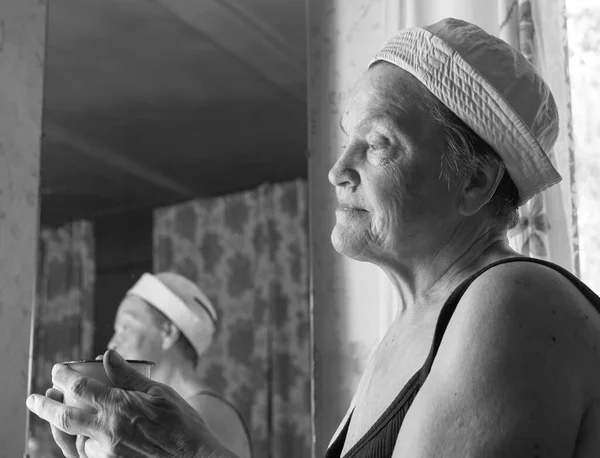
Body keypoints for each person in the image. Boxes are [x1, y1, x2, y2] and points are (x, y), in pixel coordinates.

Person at [27, 17, 600, 458]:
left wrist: (193, 449)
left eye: (378, 143)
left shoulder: (513, 303)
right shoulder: (414, 330)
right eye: (348, 136)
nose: (338, 169)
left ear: (474, 181)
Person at [105, 272, 251, 458]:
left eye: (126, 327)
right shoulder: (176, 413)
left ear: (167, 332)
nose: (112, 343)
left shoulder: (201, 414)